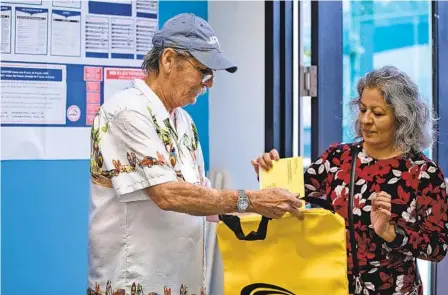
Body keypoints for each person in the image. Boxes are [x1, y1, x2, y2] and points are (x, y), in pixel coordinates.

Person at [87, 13, 303, 295]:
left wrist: (270, 192)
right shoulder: (127, 112)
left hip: (180, 279)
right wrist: (251, 200)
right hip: (134, 282)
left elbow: (203, 199)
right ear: (167, 60)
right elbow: (168, 194)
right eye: (204, 71)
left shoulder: (183, 123)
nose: (210, 82)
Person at [252, 66, 448, 295]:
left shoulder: (424, 173)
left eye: (378, 113)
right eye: (363, 109)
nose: (366, 120)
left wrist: (391, 233)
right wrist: (268, 171)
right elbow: (289, 196)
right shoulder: (339, 158)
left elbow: (437, 248)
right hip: (333, 287)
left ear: (402, 118)